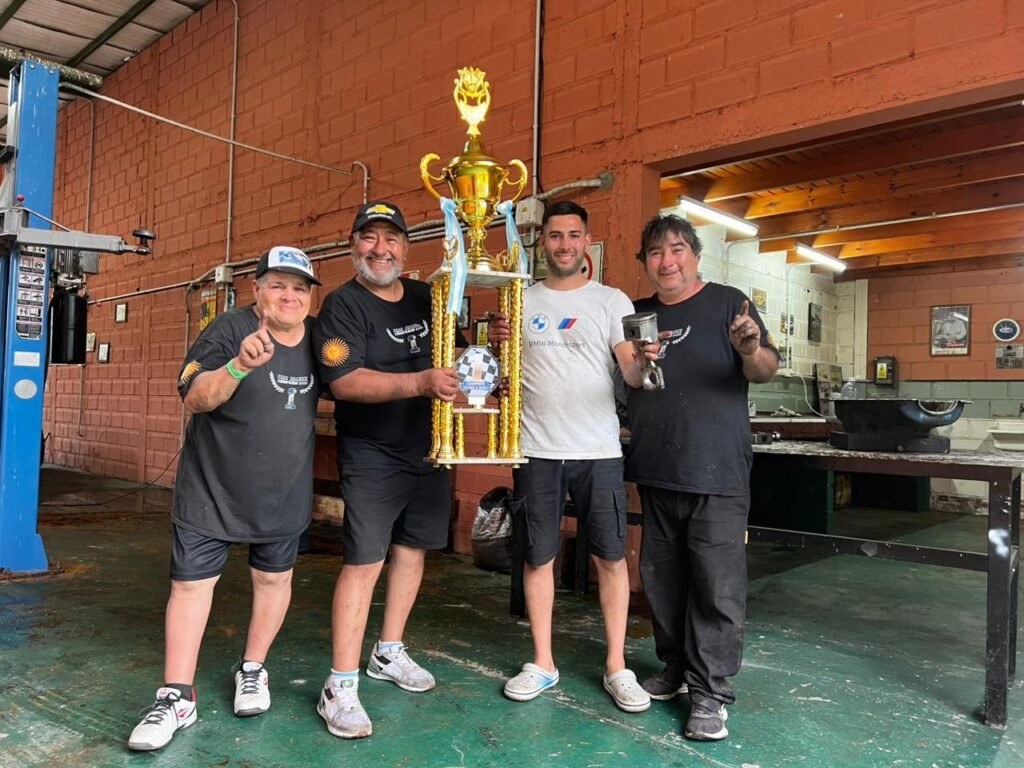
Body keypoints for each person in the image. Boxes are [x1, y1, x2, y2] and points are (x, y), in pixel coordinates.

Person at [128, 246, 321, 751]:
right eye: (277, 285)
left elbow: (352, 375)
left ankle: (253, 669)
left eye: (299, 288)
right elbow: (195, 397)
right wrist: (238, 366)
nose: (289, 296)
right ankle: (177, 697)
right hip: (212, 490)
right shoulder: (228, 331)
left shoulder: (321, 339)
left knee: (274, 580)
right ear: (256, 289)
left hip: (282, 492)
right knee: (191, 587)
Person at [490, 200, 652, 713]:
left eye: (573, 235)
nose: (564, 244)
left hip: (598, 451)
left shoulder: (611, 301)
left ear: (586, 242)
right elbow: (501, 378)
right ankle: (543, 662)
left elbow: (631, 375)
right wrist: (494, 353)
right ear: (543, 242)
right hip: (536, 450)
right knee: (538, 557)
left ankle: (617, 666)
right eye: (555, 235)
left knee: (610, 558)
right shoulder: (520, 299)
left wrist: (645, 361)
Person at [625, 214, 778, 741]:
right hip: (657, 468)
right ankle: (674, 667)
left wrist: (749, 348)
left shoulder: (729, 303)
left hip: (717, 471)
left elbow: (764, 370)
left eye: (676, 249)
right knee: (662, 581)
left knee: (717, 586)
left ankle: (710, 692)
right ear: (645, 262)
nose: (666, 261)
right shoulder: (637, 315)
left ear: (695, 254)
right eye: (655, 253)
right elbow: (629, 380)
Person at [312, 201, 460, 739]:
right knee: (364, 560)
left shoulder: (425, 297)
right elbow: (345, 382)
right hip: (373, 452)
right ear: (354, 244)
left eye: (391, 239)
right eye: (370, 238)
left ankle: (388, 651)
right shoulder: (342, 305)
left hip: (429, 447)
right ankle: (340, 685)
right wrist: (420, 383)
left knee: (412, 550)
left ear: (406, 247)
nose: (381, 249)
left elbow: (456, 356)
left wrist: (492, 343)